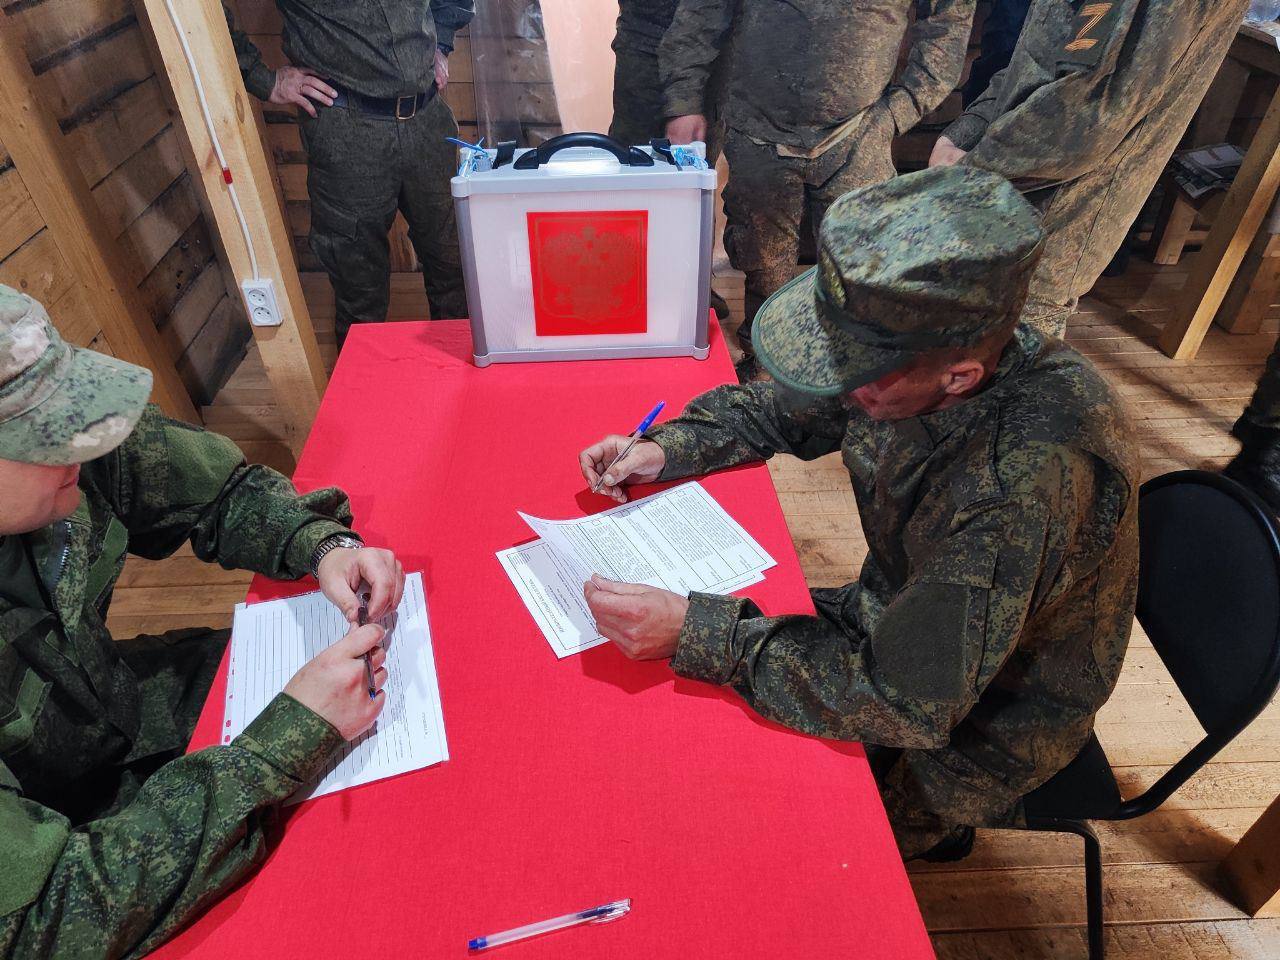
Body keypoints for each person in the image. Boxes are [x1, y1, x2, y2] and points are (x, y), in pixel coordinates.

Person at [577, 167, 1139, 860]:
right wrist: (667, 448)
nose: (840, 385)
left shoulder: (1017, 487)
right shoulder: (922, 351)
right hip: (897, 619)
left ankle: (934, 836)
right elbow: (788, 408)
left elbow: (907, 700)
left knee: (782, 845)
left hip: (984, 721)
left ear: (959, 377)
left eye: (855, 373)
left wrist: (699, 632)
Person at [0, 284, 406, 957]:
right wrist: (285, 742)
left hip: (117, 713)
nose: (78, 439)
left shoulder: (64, 459)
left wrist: (320, 545)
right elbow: (44, 922)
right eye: (38, 433)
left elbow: (215, 489)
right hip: (66, 849)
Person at [660, 0, 976, 379]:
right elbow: (702, 9)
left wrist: (902, 108)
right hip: (757, 127)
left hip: (859, 132)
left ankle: (847, 381)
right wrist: (684, 100)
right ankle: (765, 369)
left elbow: (950, 17)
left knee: (859, 273)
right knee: (761, 264)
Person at [930, 0, 1250, 338]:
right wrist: (965, 132)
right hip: (1001, 211)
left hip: (1047, 231)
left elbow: (1089, 112)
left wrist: (970, 169)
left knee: (1001, 351)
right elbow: (1037, 57)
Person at [222, 0, 474, 347]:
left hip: (428, 118)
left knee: (455, 262)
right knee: (357, 283)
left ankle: (461, 371)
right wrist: (262, 78)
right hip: (347, 129)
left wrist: (442, 42)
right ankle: (363, 378)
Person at [609, 0, 730, 321]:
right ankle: (626, 282)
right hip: (646, 46)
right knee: (633, 173)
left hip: (709, 57)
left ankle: (693, 283)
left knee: (695, 179)